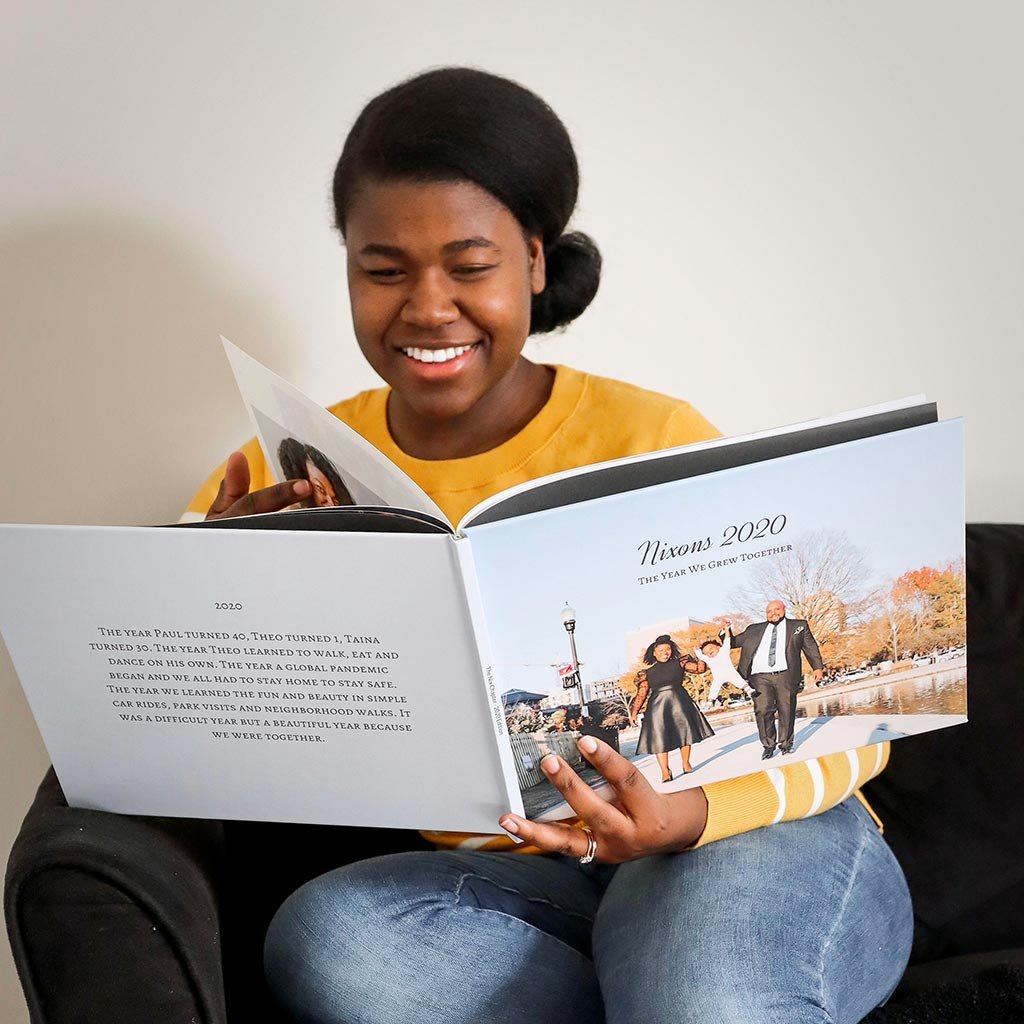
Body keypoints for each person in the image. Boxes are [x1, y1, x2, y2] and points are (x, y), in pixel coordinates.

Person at [186, 67, 912, 1024]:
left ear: (533, 260)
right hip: (542, 890)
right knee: (330, 939)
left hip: (743, 842)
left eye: (470, 265)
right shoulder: (275, 471)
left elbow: (846, 735)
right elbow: (189, 761)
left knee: (707, 994)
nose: (427, 308)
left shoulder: (658, 437)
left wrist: (686, 816)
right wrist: (218, 595)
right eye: (384, 269)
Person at [727, 599, 825, 758]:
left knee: (786, 709)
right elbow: (731, 643)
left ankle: (786, 744)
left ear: (784, 609)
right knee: (763, 710)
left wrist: (818, 667)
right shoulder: (754, 629)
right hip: (759, 676)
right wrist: (725, 631)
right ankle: (768, 745)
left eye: (776, 610)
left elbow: (810, 646)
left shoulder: (798, 626)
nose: (773, 614)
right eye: (769, 611)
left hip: (785, 674)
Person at [630, 634, 714, 780]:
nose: (665, 652)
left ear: (672, 650)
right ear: (654, 653)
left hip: (680, 701)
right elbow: (641, 693)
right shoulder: (646, 673)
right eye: (661, 650)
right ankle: (664, 771)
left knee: (685, 732)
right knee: (659, 738)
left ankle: (686, 763)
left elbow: (700, 670)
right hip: (657, 707)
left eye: (668, 649)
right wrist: (634, 712)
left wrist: (700, 655)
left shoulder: (680, 663)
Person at [697, 630, 758, 706]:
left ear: (718, 647)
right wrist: (696, 649)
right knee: (714, 688)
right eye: (707, 653)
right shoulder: (708, 659)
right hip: (718, 677)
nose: (709, 654)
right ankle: (710, 701)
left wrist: (726, 629)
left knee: (739, 680)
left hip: (730, 673)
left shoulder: (723, 651)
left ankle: (749, 690)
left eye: (711, 650)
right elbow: (700, 655)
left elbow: (727, 640)